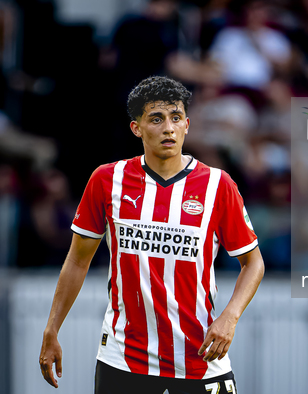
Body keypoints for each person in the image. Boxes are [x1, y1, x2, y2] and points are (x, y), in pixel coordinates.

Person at [39, 76, 265, 393]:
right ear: (137, 128)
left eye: (175, 118)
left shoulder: (218, 185)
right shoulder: (107, 180)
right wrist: (52, 328)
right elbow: (77, 262)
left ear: (187, 125)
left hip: (199, 358)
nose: (168, 128)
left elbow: (253, 263)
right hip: (123, 358)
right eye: (156, 119)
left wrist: (230, 317)